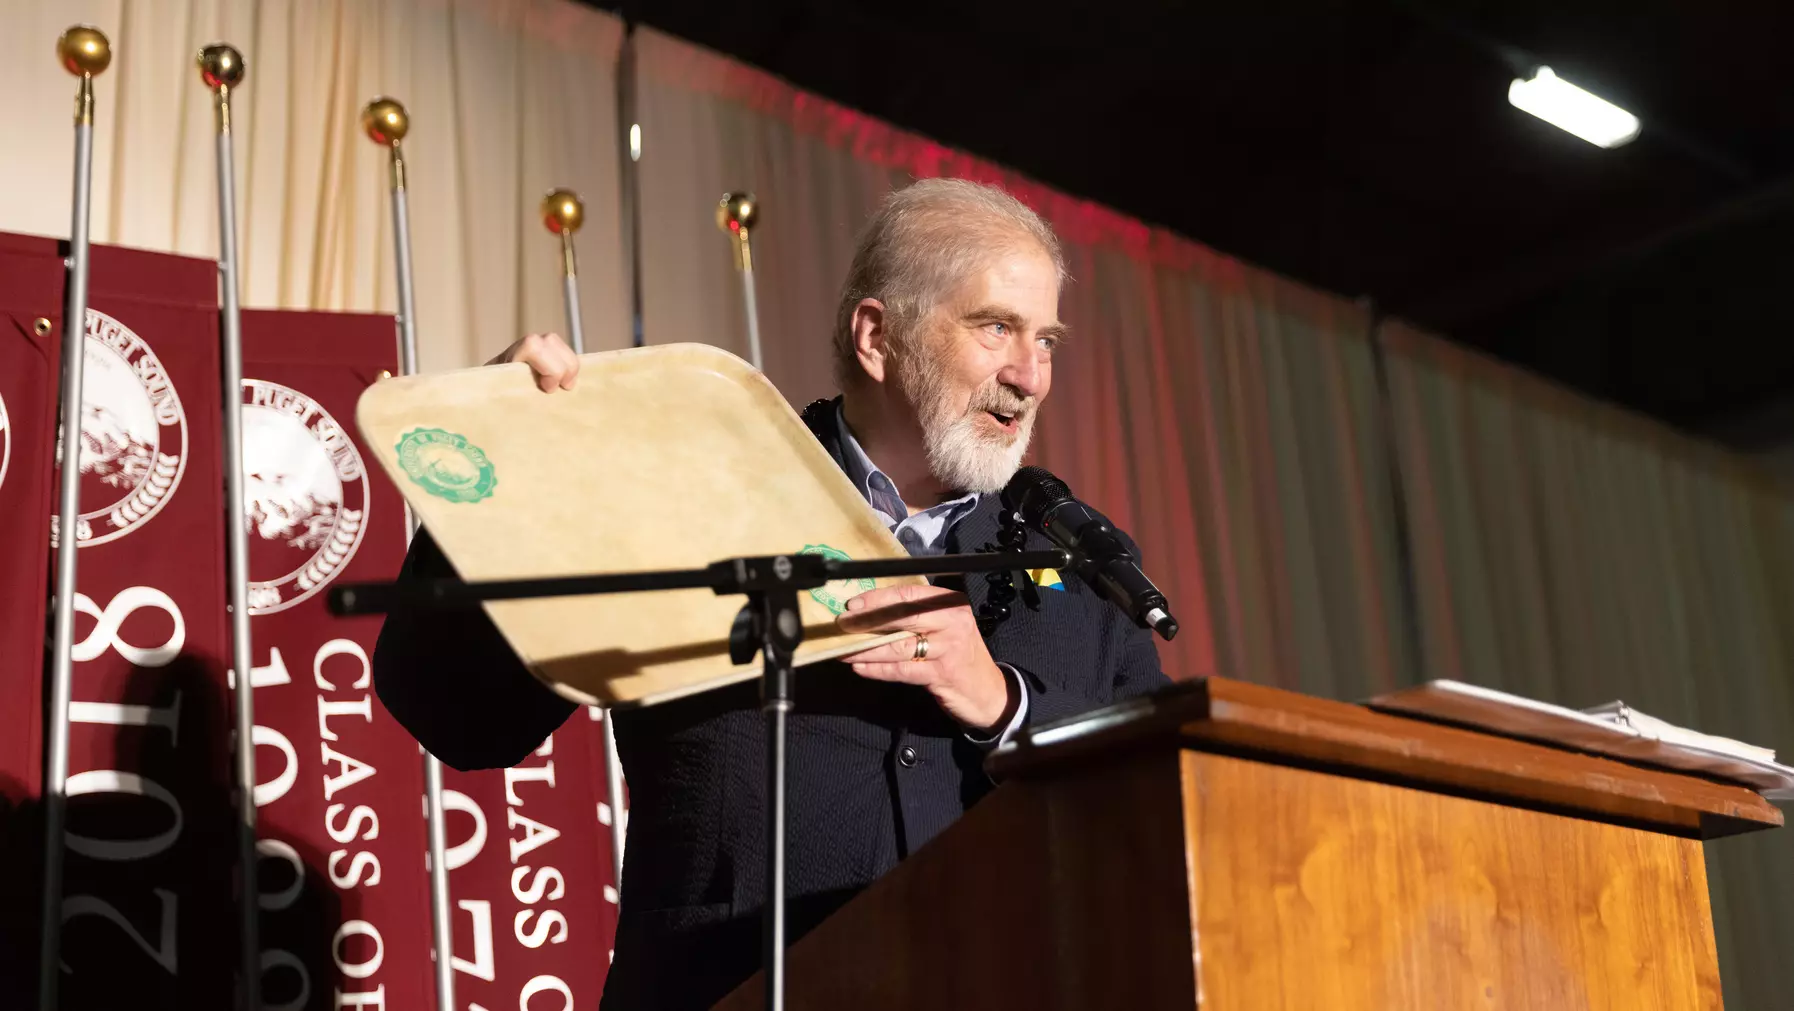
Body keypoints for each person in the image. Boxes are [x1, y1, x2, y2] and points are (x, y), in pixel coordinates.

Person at [372, 178, 1171, 1009]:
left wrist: (1004, 701)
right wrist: (510, 472)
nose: (1031, 375)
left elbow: (1155, 825)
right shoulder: (696, 489)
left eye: (1046, 338)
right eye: (997, 327)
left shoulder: (1081, 568)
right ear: (877, 336)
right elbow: (455, 713)